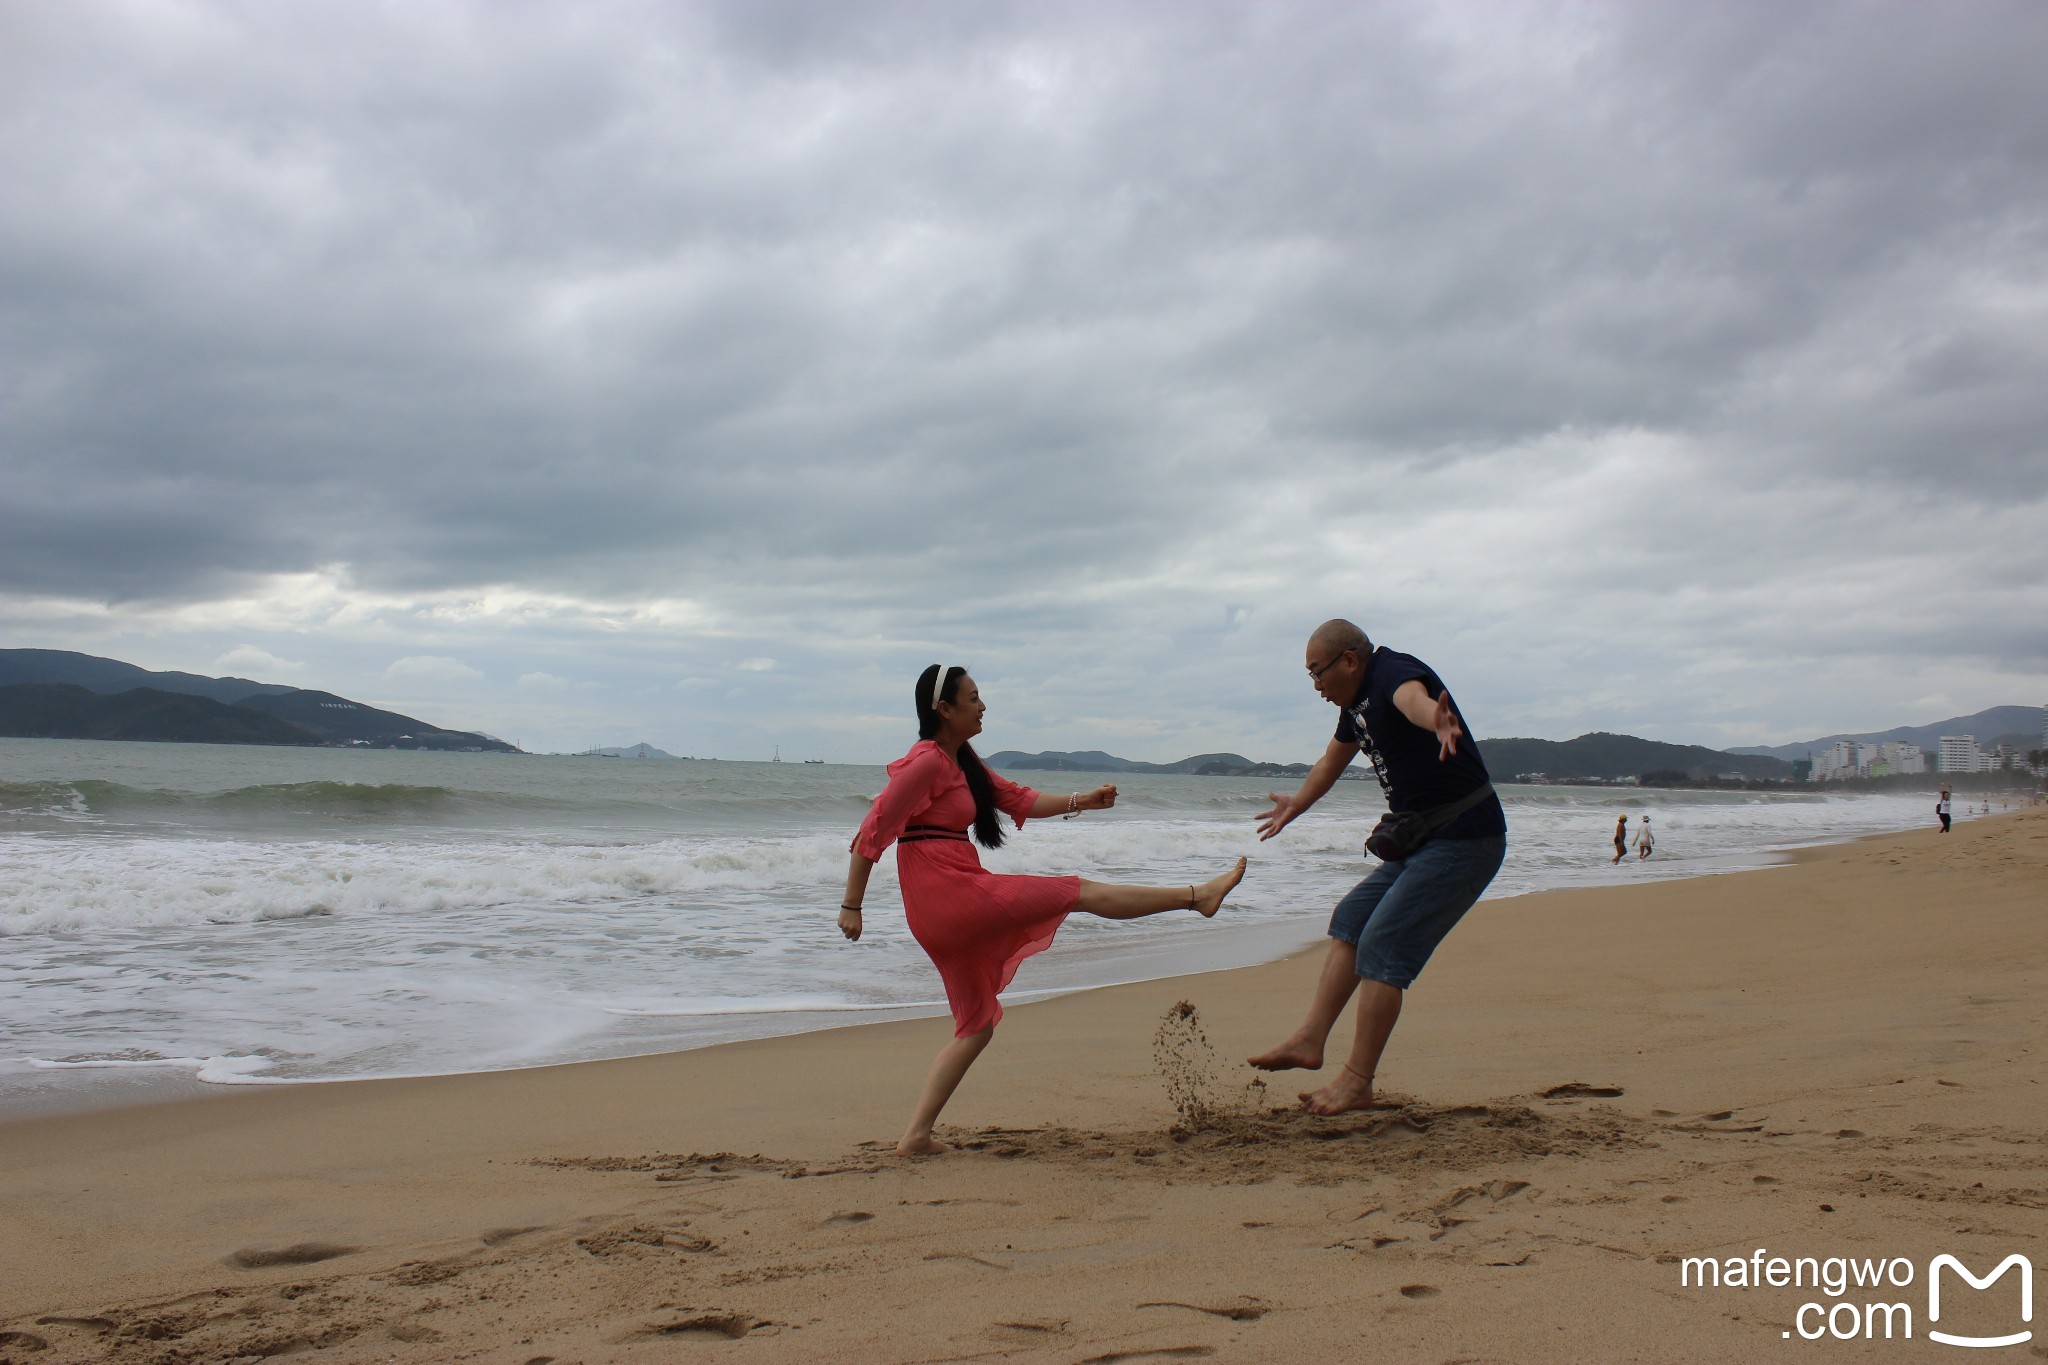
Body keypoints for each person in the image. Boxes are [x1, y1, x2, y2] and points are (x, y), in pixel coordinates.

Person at [842, 664, 1248, 1156]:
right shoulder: (926, 762)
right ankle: (1196, 897)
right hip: (949, 894)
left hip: (948, 895)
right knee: (1077, 891)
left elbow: (1015, 798)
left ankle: (916, 1137)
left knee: (977, 1027)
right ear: (944, 709)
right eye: (972, 698)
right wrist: (852, 905)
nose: (982, 705)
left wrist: (1085, 801)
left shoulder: (960, 760)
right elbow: (873, 830)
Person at [1246, 620, 1507, 1116]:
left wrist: (1438, 720)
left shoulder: (1392, 673)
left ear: (1349, 660)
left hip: (1466, 839)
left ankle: (1357, 1081)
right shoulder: (1354, 706)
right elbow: (1331, 761)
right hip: (1425, 840)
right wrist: (1295, 805)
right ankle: (1309, 1039)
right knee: (1351, 920)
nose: (1316, 686)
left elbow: (1413, 700)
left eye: (1317, 674)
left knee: (1383, 945)